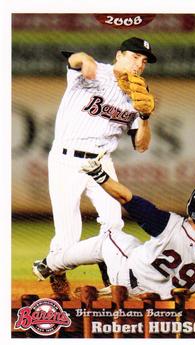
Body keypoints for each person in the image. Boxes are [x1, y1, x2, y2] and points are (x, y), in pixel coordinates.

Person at [32, 37, 157, 296]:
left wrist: (144, 117)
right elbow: (73, 58)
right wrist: (85, 59)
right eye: (134, 57)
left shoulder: (138, 94)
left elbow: (141, 146)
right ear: (119, 54)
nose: (139, 65)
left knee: (114, 225)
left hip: (102, 162)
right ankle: (55, 269)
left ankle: (113, 278)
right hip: (67, 159)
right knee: (68, 234)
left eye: (144, 61)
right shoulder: (94, 70)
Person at [53, 155, 195, 299]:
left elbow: (125, 198)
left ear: (190, 206)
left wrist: (100, 176)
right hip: (168, 302)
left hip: (130, 283)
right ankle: (111, 288)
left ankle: (53, 265)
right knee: (134, 245)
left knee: (109, 236)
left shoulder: (168, 224)